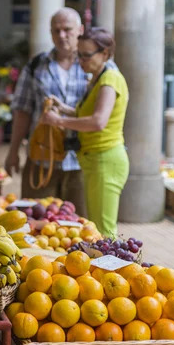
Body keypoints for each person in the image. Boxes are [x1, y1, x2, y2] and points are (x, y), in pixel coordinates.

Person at [6, 7, 117, 216]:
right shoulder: (36, 65)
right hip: (42, 157)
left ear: (80, 30)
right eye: (56, 30)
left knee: (82, 224)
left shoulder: (100, 66)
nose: (61, 35)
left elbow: (109, 114)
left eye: (67, 29)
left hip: (83, 159)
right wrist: (13, 152)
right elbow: (23, 111)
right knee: (35, 220)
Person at [41, 28, 129, 237]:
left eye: (86, 55)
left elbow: (98, 121)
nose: (80, 60)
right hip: (94, 160)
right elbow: (85, 113)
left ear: (105, 54)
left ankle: (114, 269)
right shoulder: (96, 79)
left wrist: (59, 120)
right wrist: (63, 107)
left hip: (105, 159)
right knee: (97, 228)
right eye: (78, 55)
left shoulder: (110, 79)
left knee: (105, 231)